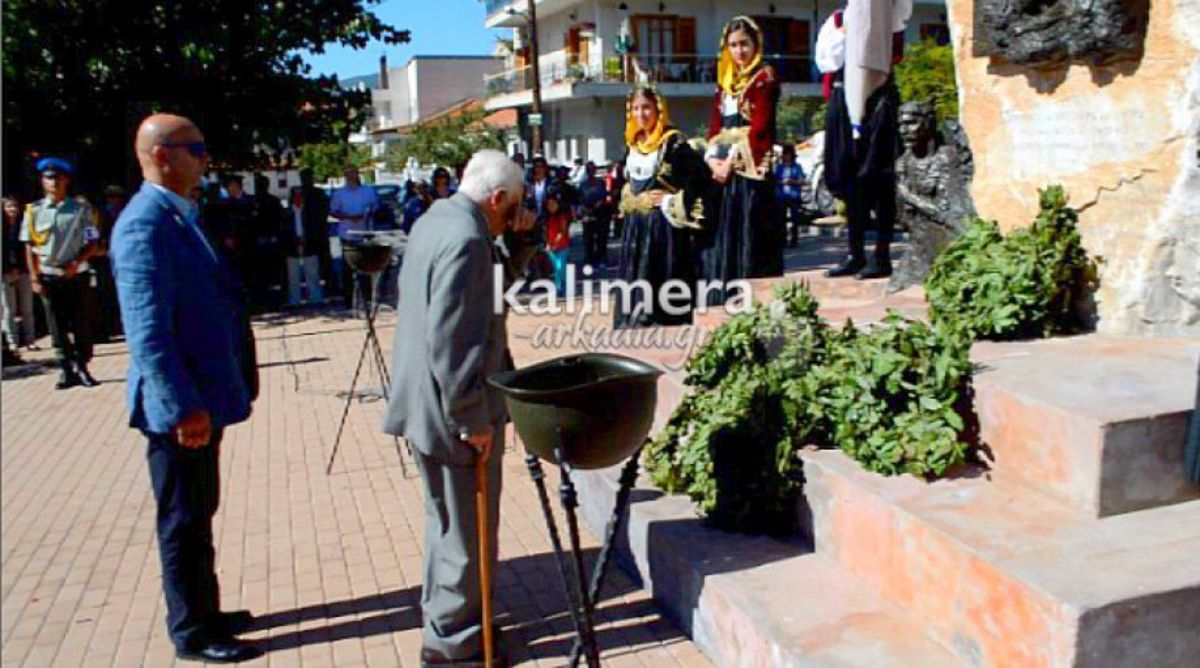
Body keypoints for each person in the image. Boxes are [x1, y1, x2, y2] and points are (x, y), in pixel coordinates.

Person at [110, 113, 261, 664]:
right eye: (196, 148)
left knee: (200, 510)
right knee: (181, 520)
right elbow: (147, 331)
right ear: (163, 156)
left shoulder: (181, 215)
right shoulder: (142, 225)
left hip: (204, 397)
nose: (206, 157)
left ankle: (208, 608)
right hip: (181, 407)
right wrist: (181, 407)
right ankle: (192, 632)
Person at [381, 149, 533, 666]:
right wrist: (472, 418)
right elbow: (454, 342)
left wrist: (519, 244)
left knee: (448, 524)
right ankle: (454, 643)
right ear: (496, 199)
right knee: (465, 531)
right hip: (451, 410)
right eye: (511, 208)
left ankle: (452, 620)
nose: (512, 215)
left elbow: (488, 298)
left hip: (427, 401)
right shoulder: (469, 240)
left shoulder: (440, 219)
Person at [824, 0, 910, 279]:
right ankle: (855, 253)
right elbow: (827, 60)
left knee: (879, 177)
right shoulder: (837, 20)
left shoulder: (889, 14)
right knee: (849, 180)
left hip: (877, 99)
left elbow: (894, 48)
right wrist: (848, 33)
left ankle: (881, 255)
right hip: (843, 100)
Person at [700, 16, 782, 305]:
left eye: (744, 44)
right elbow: (715, 127)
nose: (739, 51)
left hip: (748, 168)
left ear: (755, 44)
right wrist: (711, 160)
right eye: (733, 45)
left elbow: (761, 127)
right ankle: (722, 294)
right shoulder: (724, 84)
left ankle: (751, 297)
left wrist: (730, 162)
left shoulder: (764, 78)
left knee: (749, 230)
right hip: (722, 168)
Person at [615, 86, 711, 328]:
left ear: (658, 109)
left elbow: (701, 178)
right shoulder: (634, 143)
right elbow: (626, 179)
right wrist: (628, 193)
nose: (640, 114)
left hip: (662, 229)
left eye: (646, 108)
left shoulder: (673, 143)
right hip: (637, 226)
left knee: (662, 279)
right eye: (635, 109)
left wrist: (671, 200)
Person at [20, 157, 101, 389]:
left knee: (81, 323)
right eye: (48, 178)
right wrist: (34, 277)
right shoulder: (33, 211)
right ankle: (66, 369)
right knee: (56, 326)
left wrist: (78, 261)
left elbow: (92, 241)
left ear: (66, 180)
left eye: (57, 178)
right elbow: (29, 245)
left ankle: (83, 366)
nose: (53, 182)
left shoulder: (80, 209)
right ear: (42, 181)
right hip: (48, 274)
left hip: (76, 274)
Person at [330, 165, 380, 304]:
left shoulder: (367, 191)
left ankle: (367, 298)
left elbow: (375, 207)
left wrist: (365, 214)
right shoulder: (339, 193)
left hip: (364, 232)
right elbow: (333, 211)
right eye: (348, 174)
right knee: (347, 268)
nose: (351, 176)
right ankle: (348, 299)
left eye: (353, 173)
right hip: (347, 233)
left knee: (365, 267)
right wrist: (346, 216)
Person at [3, 196, 36, 355]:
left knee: (27, 307)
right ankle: (12, 342)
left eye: (15, 206)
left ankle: (30, 340)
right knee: (9, 308)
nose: (12, 210)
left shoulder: (23, 225)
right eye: (9, 207)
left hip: (23, 270)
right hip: (5, 272)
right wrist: (8, 269)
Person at [282, 186, 326, 306]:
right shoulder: (286, 213)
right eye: (295, 196)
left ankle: (315, 298)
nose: (298, 198)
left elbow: (316, 229)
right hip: (292, 247)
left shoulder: (311, 213)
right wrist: (293, 240)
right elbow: (283, 231)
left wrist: (308, 239)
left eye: (300, 195)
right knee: (293, 276)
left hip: (309, 245)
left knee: (312, 274)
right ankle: (294, 300)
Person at [577, 162, 612, 268]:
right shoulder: (582, 184)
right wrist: (584, 210)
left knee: (601, 238)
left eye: (592, 169)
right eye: (589, 169)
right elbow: (580, 198)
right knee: (588, 239)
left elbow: (604, 196)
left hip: (600, 213)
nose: (591, 171)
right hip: (587, 213)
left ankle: (602, 258)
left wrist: (599, 204)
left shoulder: (600, 182)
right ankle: (589, 259)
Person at [775, 145, 806, 246]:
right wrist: (780, 181)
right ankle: (782, 239)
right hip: (781, 196)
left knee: (795, 219)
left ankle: (794, 239)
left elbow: (802, 181)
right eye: (784, 155)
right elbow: (774, 180)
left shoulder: (797, 167)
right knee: (781, 219)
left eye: (788, 155)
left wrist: (792, 181)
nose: (786, 157)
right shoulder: (779, 167)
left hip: (793, 195)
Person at [543, 189, 572, 294]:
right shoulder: (547, 217)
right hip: (551, 247)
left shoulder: (562, 216)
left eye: (553, 203)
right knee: (557, 268)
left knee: (560, 267)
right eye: (549, 204)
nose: (551, 206)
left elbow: (562, 231)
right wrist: (547, 244)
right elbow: (545, 232)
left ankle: (560, 288)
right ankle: (560, 287)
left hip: (562, 246)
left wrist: (555, 243)